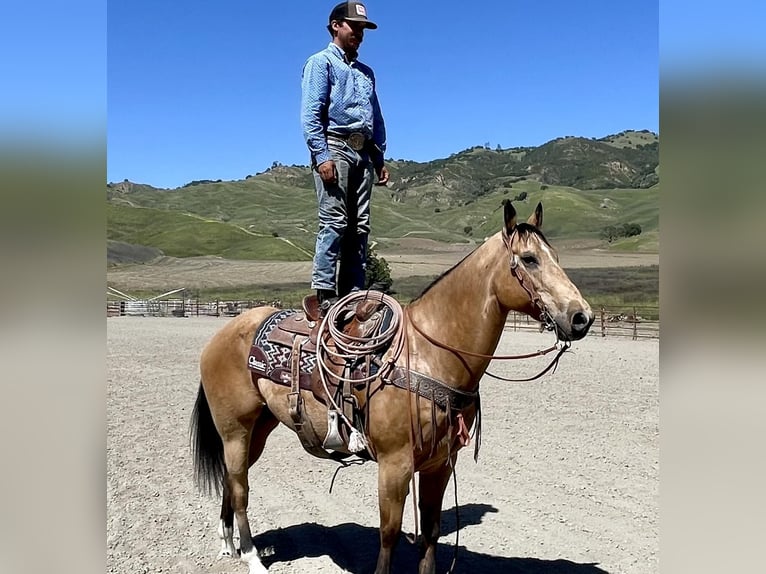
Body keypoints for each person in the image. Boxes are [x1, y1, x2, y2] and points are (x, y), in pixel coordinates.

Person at [301, 1, 389, 313]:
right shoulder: (321, 63)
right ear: (336, 25)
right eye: (354, 26)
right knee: (334, 220)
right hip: (334, 144)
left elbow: (375, 117)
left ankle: (353, 292)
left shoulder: (366, 73)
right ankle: (325, 293)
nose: (359, 33)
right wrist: (322, 156)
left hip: (362, 151)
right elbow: (311, 115)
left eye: (362, 28)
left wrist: (378, 156)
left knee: (360, 225)